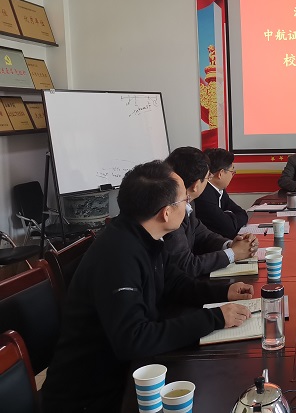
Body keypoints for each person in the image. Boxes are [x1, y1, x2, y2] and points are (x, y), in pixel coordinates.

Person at [42, 161, 255, 413]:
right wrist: (214, 318)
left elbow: (174, 283)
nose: (188, 205)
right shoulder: (119, 255)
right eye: (184, 200)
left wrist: (223, 292)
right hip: (92, 395)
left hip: (128, 372)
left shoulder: (145, 234)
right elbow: (134, 338)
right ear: (166, 213)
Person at [164, 146, 256, 277]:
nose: (209, 181)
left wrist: (230, 245)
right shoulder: (171, 213)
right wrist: (233, 253)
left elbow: (202, 234)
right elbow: (187, 265)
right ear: (196, 185)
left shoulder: (189, 203)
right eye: (208, 178)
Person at [194, 148, 248, 237]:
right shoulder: (204, 195)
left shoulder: (219, 189)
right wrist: (230, 215)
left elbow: (242, 213)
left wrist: (228, 216)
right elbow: (229, 228)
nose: (232, 175)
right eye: (232, 172)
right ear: (221, 173)